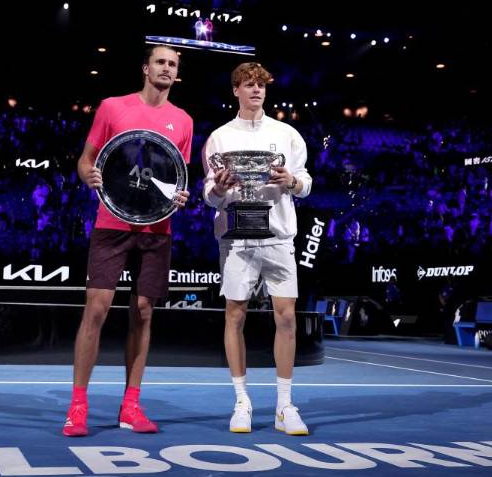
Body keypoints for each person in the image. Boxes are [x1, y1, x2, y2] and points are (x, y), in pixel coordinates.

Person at [63, 44, 192, 437]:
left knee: (144, 312)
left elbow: (175, 177)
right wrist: (88, 174)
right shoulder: (112, 107)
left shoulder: (183, 121)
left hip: (157, 230)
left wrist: (181, 195)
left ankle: (131, 405)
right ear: (145, 68)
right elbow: (87, 159)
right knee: (97, 309)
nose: (166, 68)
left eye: (173, 64)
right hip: (111, 223)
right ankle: (78, 407)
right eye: (160, 62)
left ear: (176, 73)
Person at [201, 62, 312, 435]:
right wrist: (218, 188)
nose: (256, 91)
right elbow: (209, 196)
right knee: (234, 316)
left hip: (279, 236)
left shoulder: (287, 135)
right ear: (235, 90)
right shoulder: (219, 138)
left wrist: (292, 180)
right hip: (236, 239)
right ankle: (242, 401)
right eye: (248, 85)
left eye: (261, 85)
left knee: (286, 317)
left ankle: (284, 406)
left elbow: (306, 181)